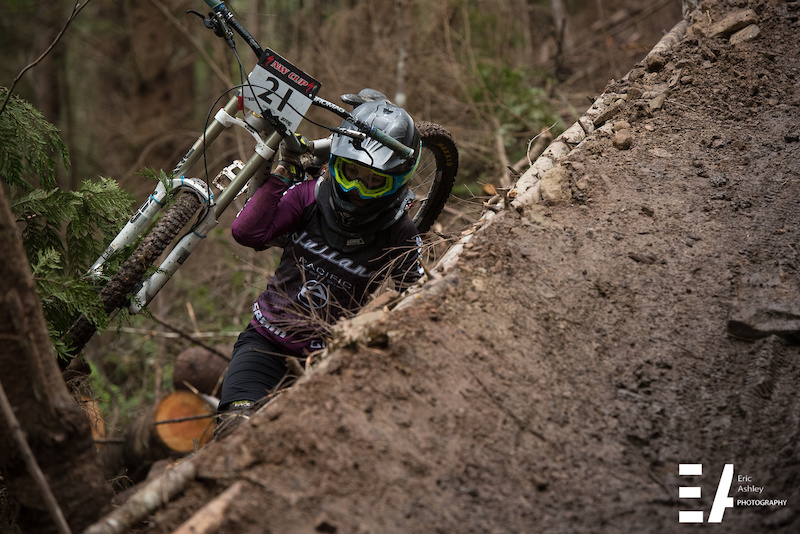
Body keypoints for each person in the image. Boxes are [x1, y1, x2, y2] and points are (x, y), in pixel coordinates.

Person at [216, 100, 424, 432]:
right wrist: (281, 177)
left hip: (328, 362)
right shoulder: (309, 195)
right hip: (265, 341)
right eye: (349, 173)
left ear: (397, 183)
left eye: (374, 182)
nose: (356, 190)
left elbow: (415, 298)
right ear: (334, 164)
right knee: (234, 431)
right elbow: (247, 232)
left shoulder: (399, 230)